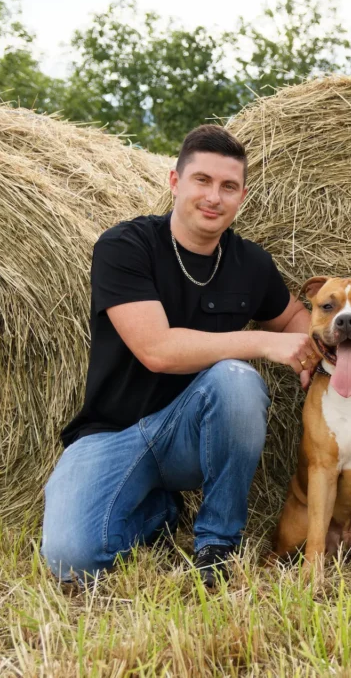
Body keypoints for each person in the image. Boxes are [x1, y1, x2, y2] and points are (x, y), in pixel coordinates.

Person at [42, 125, 317, 587]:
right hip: (113, 433)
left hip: (192, 438)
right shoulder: (125, 247)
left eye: (228, 186)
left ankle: (217, 542)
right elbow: (157, 351)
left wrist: (338, 351)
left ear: (242, 195)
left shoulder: (250, 264)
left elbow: (294, 320)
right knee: (73, 559)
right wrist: (262, 344)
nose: (214, 197)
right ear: (175, 181)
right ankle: (159, 512)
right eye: (202, 181)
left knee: (236, 381)